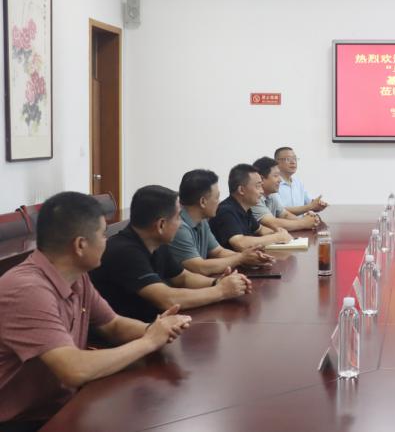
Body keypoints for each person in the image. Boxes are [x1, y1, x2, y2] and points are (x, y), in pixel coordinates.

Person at [0, 192, 191, 430]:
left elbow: (113, 325)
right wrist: (149, 341)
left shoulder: (77, 277)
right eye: (102, 235)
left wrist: (157, 329)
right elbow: (74, 369)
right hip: (19, 422)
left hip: (58, 406)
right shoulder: (27, 290)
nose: (106, 241)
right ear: (80, 245)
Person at [91, 185, 253, 322]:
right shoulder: (125, 252)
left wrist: (217, 282)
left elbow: (183, 277)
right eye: (177, 217)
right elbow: (166, 299)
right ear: (161, 225)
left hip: (150, 326)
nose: (180, 223)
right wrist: (221, 291)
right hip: (119, 339)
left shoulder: (156, 243)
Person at [169, 169, 275, 276]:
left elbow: (218, 251)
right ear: (203, 202)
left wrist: (250, 258)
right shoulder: (179, 226)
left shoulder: (202, 220)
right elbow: (199, 267)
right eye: (217, 197)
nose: (219, 202)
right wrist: (240, 258)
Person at [209, 164, 293, 252]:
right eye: (258, 186)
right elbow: (240, 243)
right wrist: (276, 238)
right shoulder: (225, 211)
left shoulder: (245, 209)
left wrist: (278, 232)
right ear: (241, 190)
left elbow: (260, 229)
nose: (262, 191)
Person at [252, 157, 321, 231]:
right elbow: (271, 223)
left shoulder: (271, 194)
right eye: (276, 176)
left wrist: (308, 221)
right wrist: (304, 223)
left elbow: (284, 214)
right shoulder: (253, 197)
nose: (280, 180)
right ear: (261, 179)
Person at [274, 146, 327, 215]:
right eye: (288, 159)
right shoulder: (273, 184)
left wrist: (318, 205)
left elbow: (309, 202)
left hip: (302, 221)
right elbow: (279, 210)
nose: (293, 162)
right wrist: (310, 207)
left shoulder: (297, 182)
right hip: (283, 222)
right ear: (276, 162)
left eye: (294, 158)